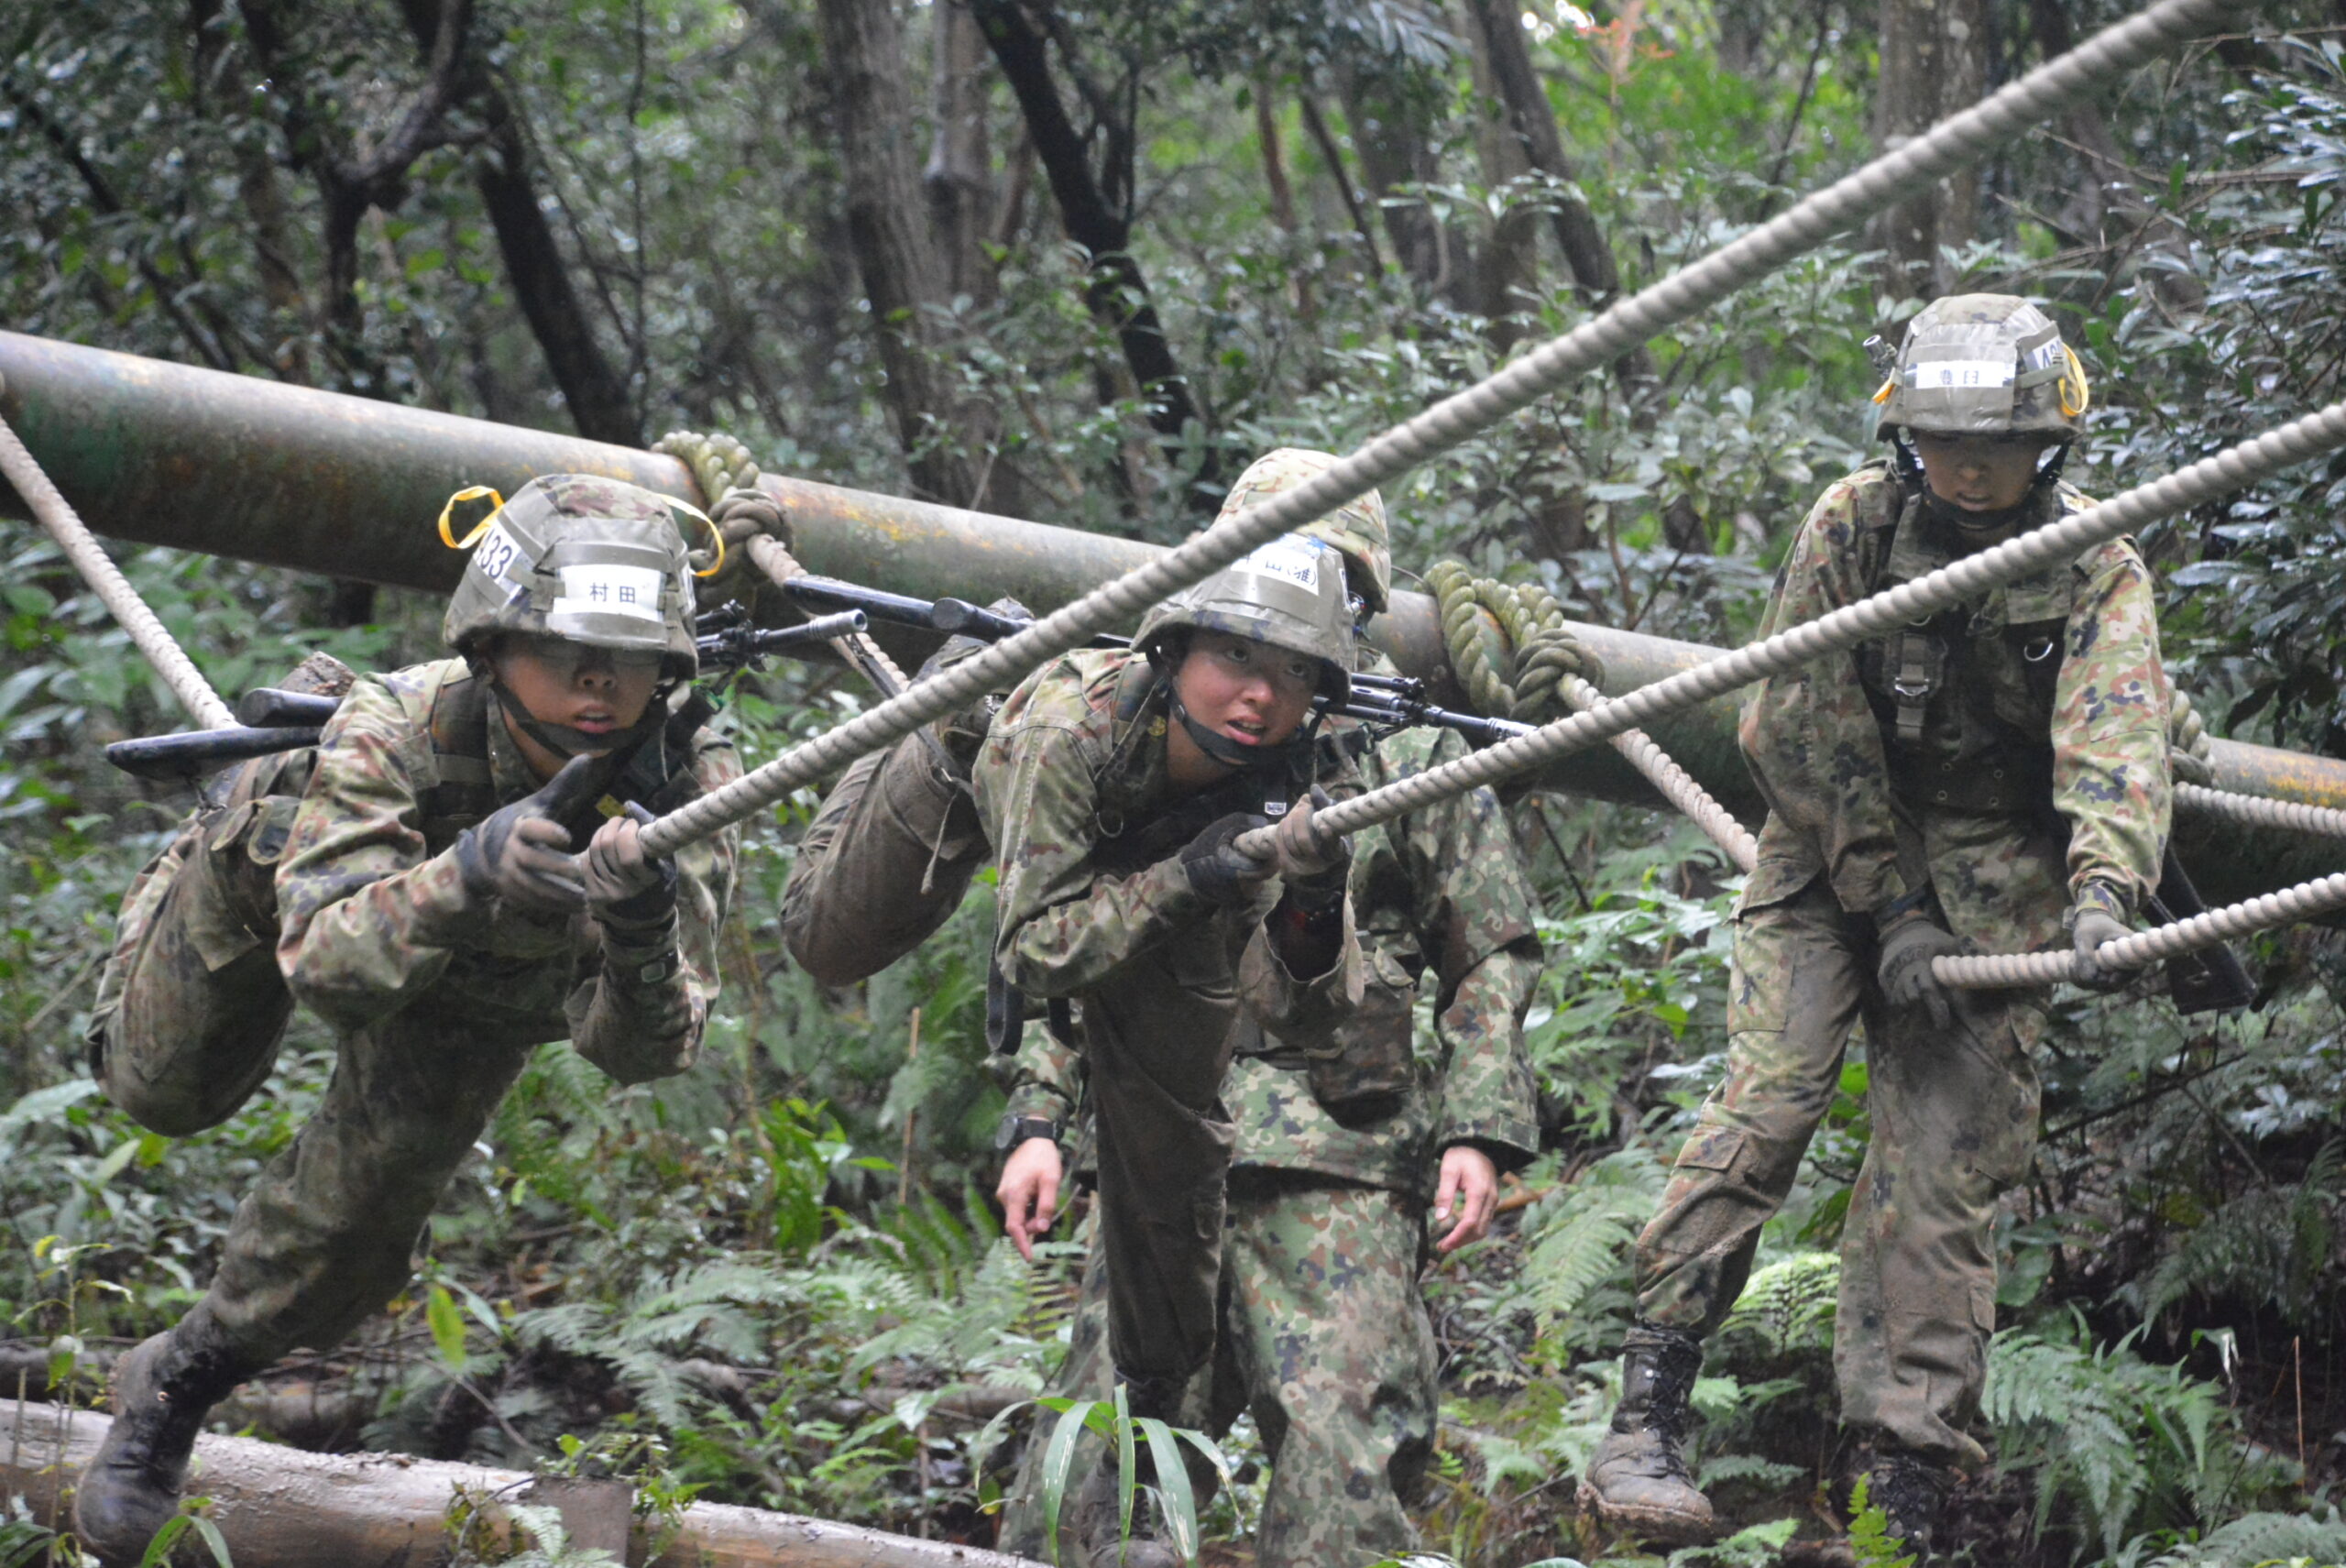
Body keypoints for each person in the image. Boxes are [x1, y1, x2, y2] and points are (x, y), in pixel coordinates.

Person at [1577, 295, 2173, 1555]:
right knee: (1768, 1104)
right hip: (1829, 849)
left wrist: (2106, 883)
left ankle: (1888, 1499)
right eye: (1948, 438)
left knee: (1941, 1179)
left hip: (1998, 879)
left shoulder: (2095, 560)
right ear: (1908, 435)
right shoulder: (1855, 524)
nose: (1970, 466)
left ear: (2047, 441)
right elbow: (1792, 717)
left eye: (1999, 441)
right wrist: (1884, 897)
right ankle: (1646, 1417)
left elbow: (2118, 731)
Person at [75, 476, 741, 1558]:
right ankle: (199, 855)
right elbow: (329, 968)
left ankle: (170, 1389)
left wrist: (639, 923)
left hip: (483, 993)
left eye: (627, 658)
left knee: (350, 1252)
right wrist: (466, 870)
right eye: (566, 647)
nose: (596, 682)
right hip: (283, 893)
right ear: (489, 645)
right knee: (160, 1092)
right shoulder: (399, 722)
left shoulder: (683, 781)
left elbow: (643, 1050)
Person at [990, 697, 1547, 1568]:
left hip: (1340, 1156)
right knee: (1107, 1459)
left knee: (1344, 1473)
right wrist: (1038, 1115)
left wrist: (1478, 1127)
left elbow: (1489, 944)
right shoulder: (1176, 726)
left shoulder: (1407, 744)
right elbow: (1091, 939)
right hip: (1160, 1138)